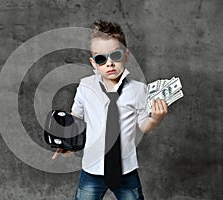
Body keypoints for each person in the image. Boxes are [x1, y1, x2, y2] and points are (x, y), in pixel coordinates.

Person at [52, 20, 168, 200]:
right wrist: (67, 143)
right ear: (93, 63)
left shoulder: (138, 90)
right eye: (101, 59)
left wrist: (156, 119)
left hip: (126, 170)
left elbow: (144, 125)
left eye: (116, 55)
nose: (109, 63)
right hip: (91, 169)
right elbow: (76, 119)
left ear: (126, 55)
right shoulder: (85, 86)